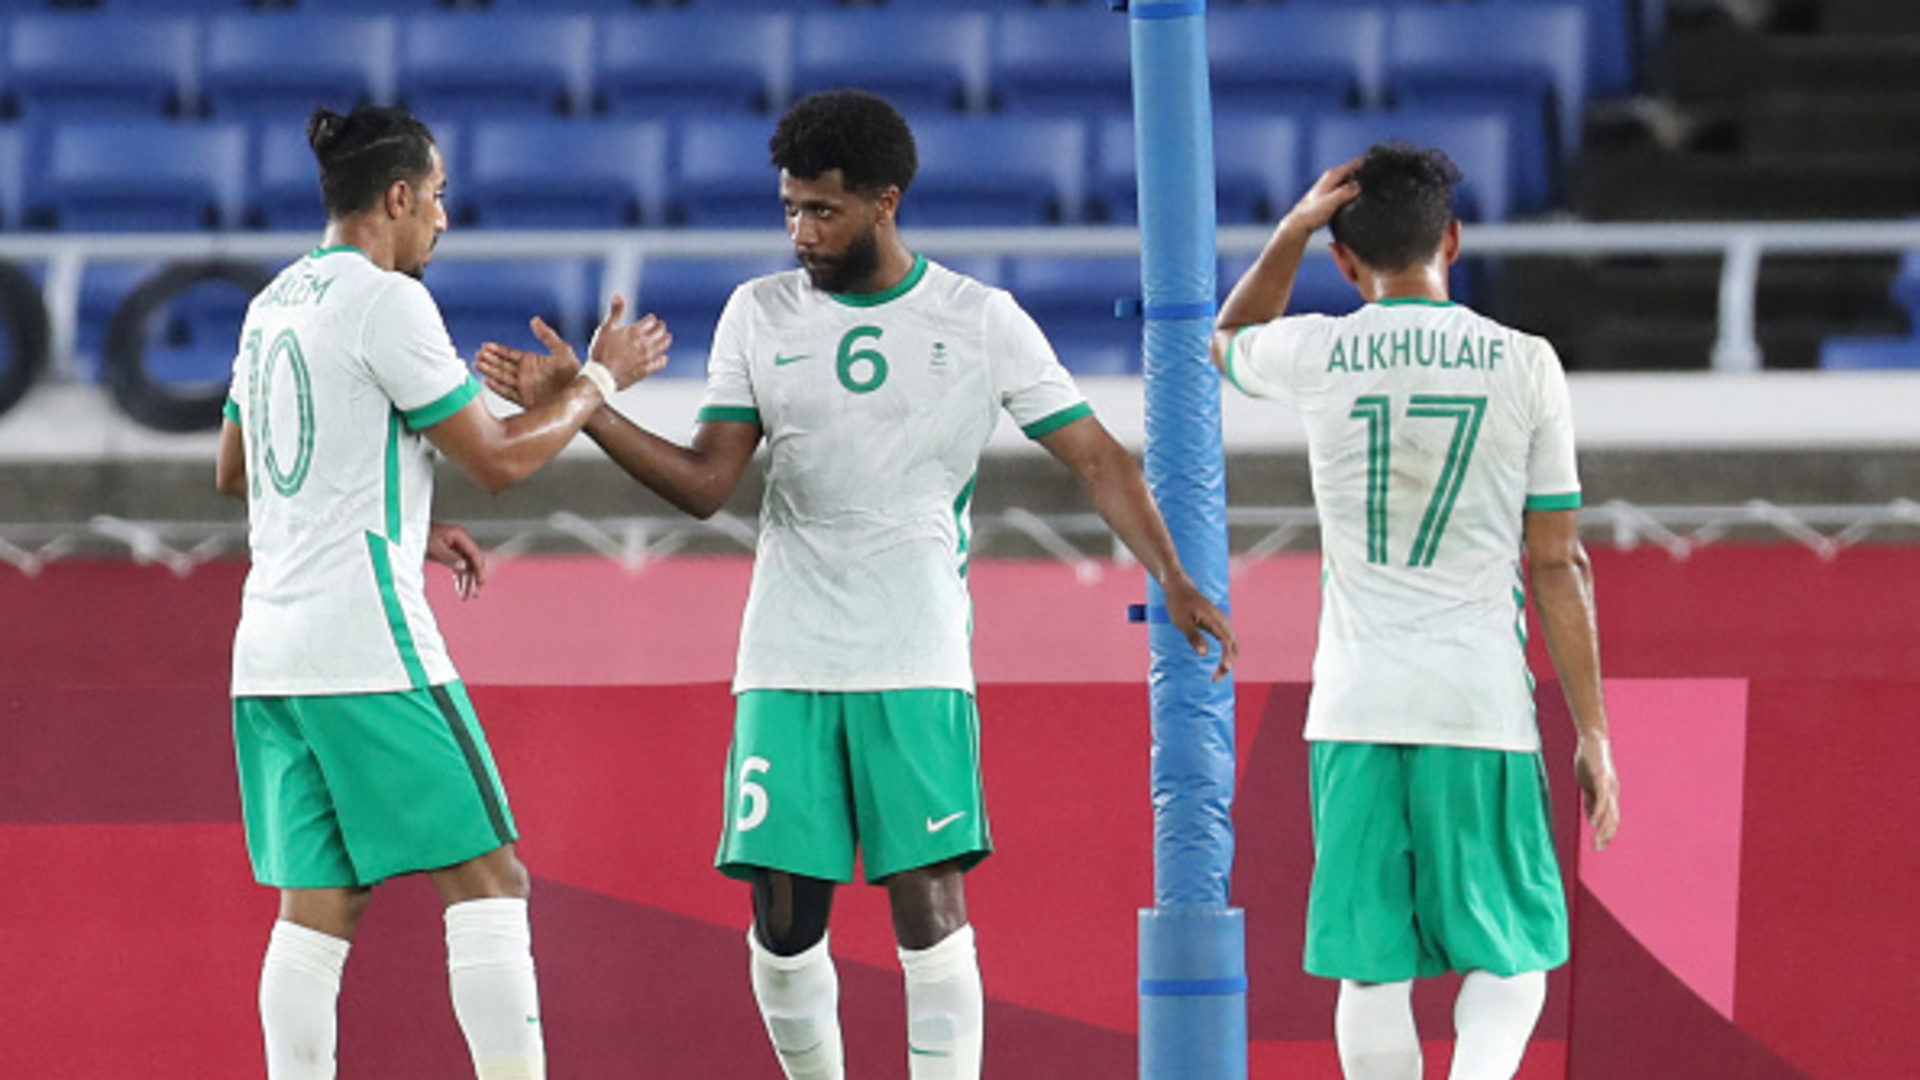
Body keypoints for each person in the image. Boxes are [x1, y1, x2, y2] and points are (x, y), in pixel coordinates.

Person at [476, 88, 1237, 1080]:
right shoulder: (759, 312)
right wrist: (590, 404)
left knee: (928, 903)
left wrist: (1172, 574)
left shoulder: (979, 319)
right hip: (786, 655)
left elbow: (1098, 457)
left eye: (823, 210)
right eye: (790, 209)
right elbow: (706, 485)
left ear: (886, 201)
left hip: (914, 653)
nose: (801, 231)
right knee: (784, 921)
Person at [215, 103, 670, 1080]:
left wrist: (405, 521)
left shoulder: (272, 303)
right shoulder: (388, 302)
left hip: (269, 657)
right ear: (397, 197)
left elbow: (238, 469)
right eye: (438, 197)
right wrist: (597, 382)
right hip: (366, 644)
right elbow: (499, 459)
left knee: (317, 908)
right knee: (491, 881)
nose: (444, 220)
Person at [1210, 144, 1622, 1080]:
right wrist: (1594, 732)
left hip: (1354, 707)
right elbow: (1558, 562)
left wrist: (1291, 231)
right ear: (1454, 240)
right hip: (1477, 705)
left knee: (1371, 968)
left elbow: (1226, 338)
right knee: (1510, 956)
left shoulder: (1319, 349)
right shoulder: (1525, 363)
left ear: (1343, 261)